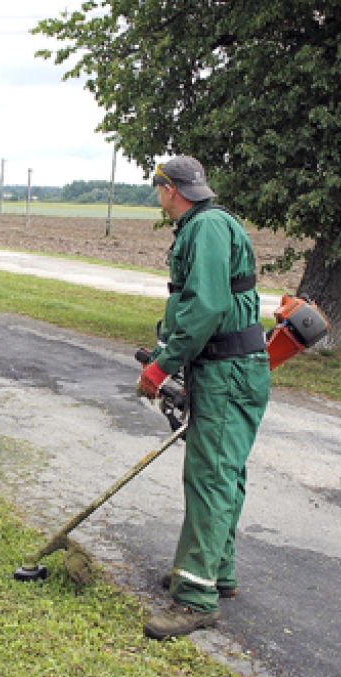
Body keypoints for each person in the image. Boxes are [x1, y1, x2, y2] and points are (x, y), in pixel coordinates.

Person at [137, 156, 270, 639]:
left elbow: (209, 306)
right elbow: (196, 304)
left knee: (211, 478)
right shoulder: (207, 224)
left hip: (227, 372)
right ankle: (217, 573)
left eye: (158, 189)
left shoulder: (206, 228)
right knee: (223, 473)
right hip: (228, 369)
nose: (159, 196)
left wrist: (161, 367)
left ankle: (195, 599)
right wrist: (167, 350)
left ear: (168, 188)